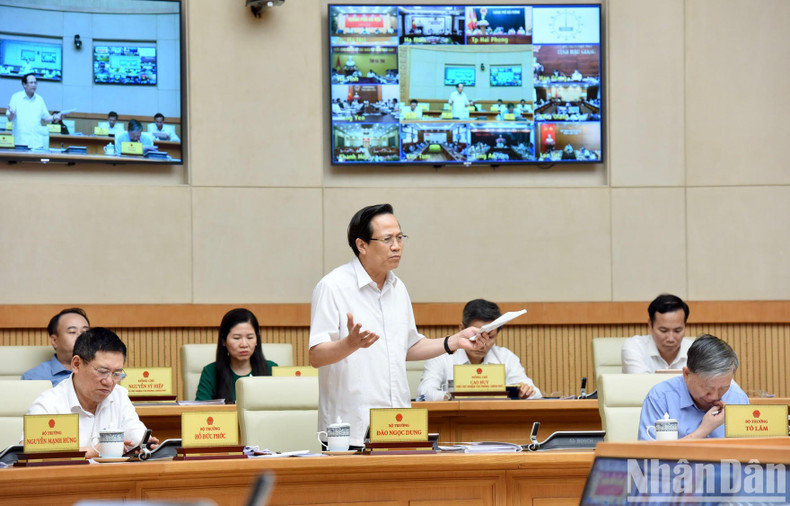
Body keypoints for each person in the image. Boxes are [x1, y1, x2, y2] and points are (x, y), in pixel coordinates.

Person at [309, 204, 484, 449]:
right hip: (350, 433)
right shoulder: (332, 287)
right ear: (362, 245)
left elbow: (409, 346)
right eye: (387, 239)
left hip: (397, 426)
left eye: (400, 238)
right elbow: (316, 355)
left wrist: (454, 341)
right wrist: (349, 344)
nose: (397, 246)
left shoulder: (397, 288)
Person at [26, 327, 156, 459]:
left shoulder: (119, 395)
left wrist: (147, 447)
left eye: (116, 374)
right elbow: (31, 454)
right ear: (76, 364)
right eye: (102, 371)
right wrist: (94, 451)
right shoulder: (49, 404)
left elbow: (138, 438)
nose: (109, 382)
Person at [417, 299, 542, 401]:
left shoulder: (506, 357)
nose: (481, 345)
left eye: (490, 337)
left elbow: (536, 393)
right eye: (475, 336)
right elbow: (424, 393)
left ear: (497, 334)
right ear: (462, 328)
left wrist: (525, 392)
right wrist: (449, 396)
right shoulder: (441, 356)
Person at [638, 334, 748, 440]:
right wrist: (703, 430)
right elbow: (648, 455)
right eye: (707, 389)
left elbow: (749, 452)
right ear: (687, 374)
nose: (714, 396)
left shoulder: (737, 398)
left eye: (723, 388)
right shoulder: (660, 398)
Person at [196, 308, 278, 403]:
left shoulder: (271, 369)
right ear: (223, 341)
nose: (244, 344)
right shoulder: (211, 372)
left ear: (257, 340)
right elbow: (200, 411)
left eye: (250, 337)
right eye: (237, 338)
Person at [622, 294, 694, 374]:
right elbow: (641, 384)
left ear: (685, 326)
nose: (670, 339)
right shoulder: (635, 347)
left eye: (677, 330)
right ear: (650, 325)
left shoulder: (697, 351)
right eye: (663, 330)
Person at [22, 307, 90, 386]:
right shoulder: (33, 377)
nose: (80, 336)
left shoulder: (101, 371)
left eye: (85, 332)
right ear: (54, 340)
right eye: (72, 332)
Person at [6, 73, 62, 149]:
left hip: (36, 142)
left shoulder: (39, 99)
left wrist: (54, 117)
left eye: (35, 83)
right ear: (24, 84)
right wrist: (12, 114)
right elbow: (10, 118)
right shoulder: (16, 97)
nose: (34, 85)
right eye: (31, 83)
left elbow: (45, 117)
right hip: (20, 142)